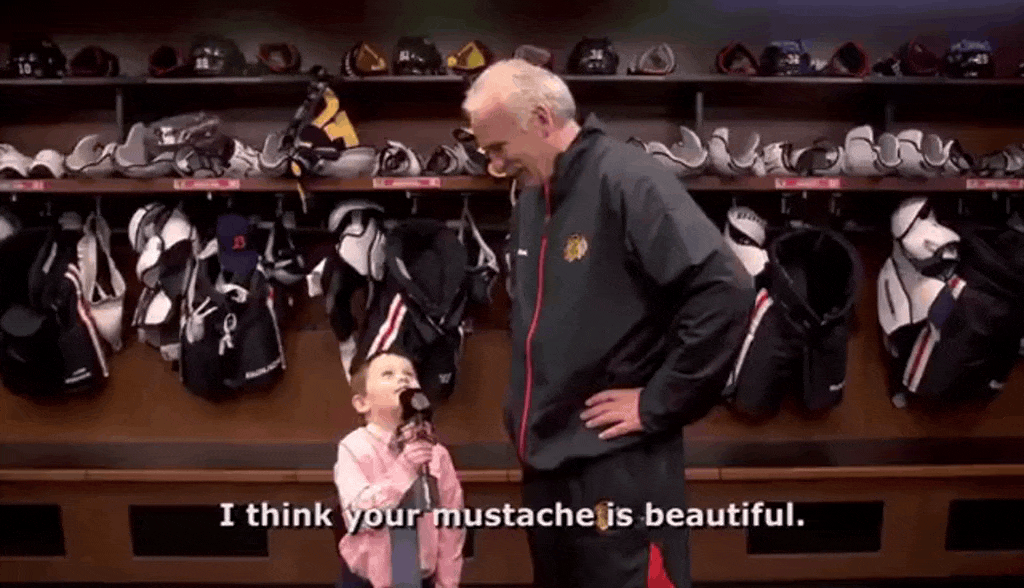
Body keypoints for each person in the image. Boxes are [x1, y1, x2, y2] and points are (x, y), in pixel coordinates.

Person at [462, 59, 755, 588]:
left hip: (616, 466)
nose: (495, 166)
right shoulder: (532, 199)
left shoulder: (627, 178)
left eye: (499, 148)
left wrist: (659, 400)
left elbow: (724, 289)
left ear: (542, 120)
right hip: (547, 465)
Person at [332, 350, 465, 588]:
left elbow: (451, 524)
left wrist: (447, 583)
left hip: (423, 579)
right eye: (388, 374)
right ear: (362, 403)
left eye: (409, 375)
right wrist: (405, 470)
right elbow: (359, 517)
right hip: (366, 581)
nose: (402, 379)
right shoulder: (353, 448)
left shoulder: (436, 454)